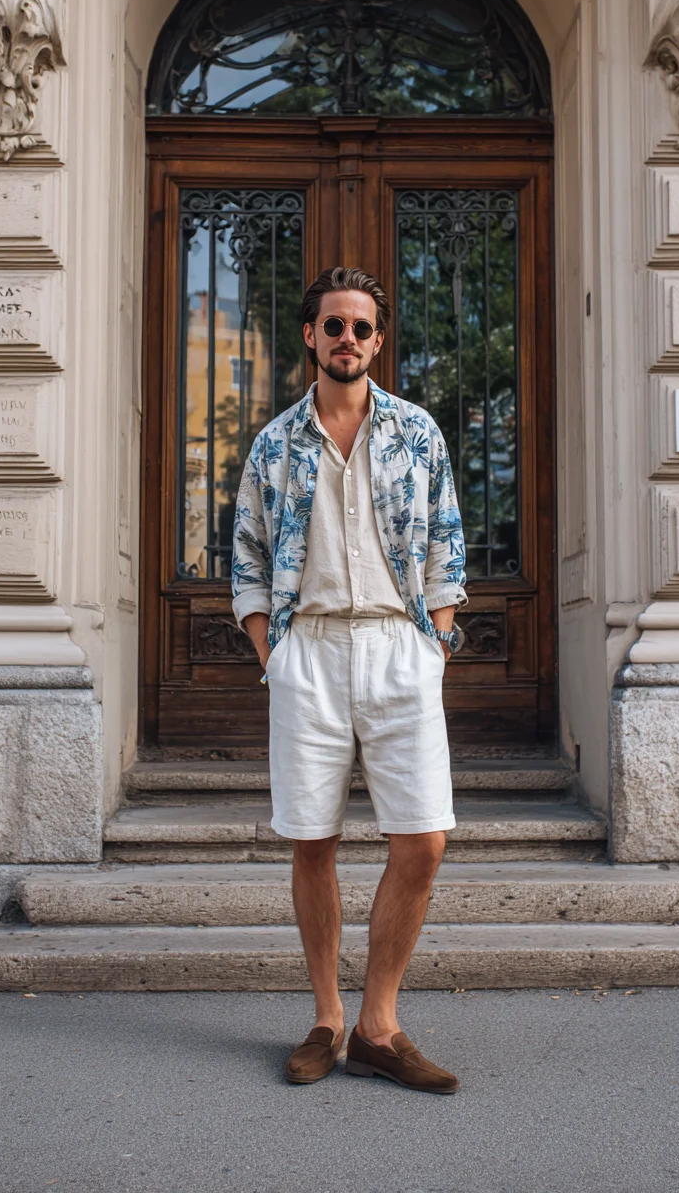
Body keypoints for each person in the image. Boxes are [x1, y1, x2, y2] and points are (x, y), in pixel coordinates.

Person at [232, 266, 467, 1093]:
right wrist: (273, 654)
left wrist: (435, 641)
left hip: (400, 648)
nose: (347, 340)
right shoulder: (274, 444)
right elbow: (249, 559)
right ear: (310, 336)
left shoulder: (418, 433)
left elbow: (447, 543)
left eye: (361, 328)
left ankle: (380, 1022)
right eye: (333, 326)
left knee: (425, 839)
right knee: (313, 838)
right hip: (313, 653)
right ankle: (330, 1019)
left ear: (379, 339)